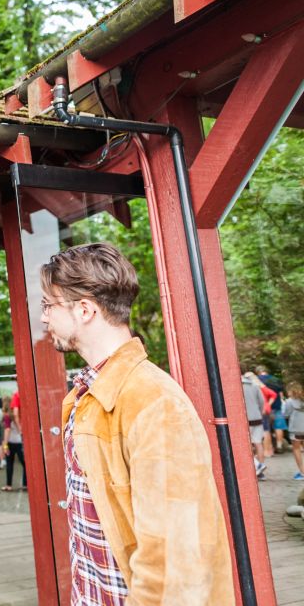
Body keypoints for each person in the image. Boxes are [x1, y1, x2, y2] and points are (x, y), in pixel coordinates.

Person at [40, 243, 233, 604]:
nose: (44, 317)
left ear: (84, 310)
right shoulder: (86, 395)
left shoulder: (155, 402)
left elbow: (175, 558)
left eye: (48, 305)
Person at [243, 371, 268, 479]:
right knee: (258, 443)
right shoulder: (254, 385)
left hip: (244, 418)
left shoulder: (236, 385)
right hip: (257, 416)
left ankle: (257, 466)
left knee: (245, 444)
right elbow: (262, 401)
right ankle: (261, 470)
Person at [2, 392, 25, 492]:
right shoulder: (18, 415)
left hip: (11, 443)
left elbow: (7, 430)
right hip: (20, 442)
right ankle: (25, 484)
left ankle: (8, 485)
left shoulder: (7, 417)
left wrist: (5, 444)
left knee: (9, 464)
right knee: (24, 464)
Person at [284, 382, 304, 481]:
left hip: (296, 429)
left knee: (296, 449)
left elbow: (286, 414)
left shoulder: (289, 401)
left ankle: (302, 472)